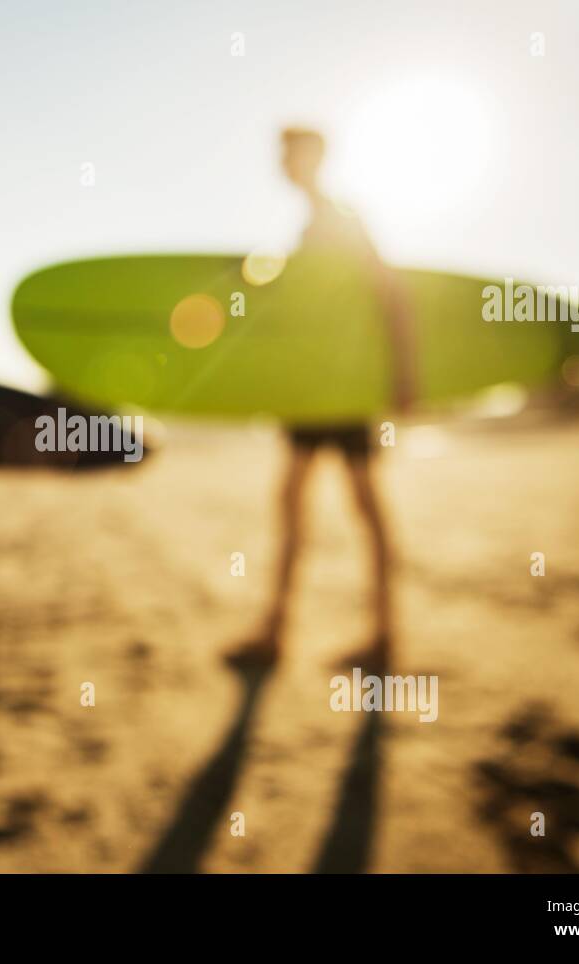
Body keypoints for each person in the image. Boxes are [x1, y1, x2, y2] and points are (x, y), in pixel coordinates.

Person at [225, 128, 416, 673]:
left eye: (288, 155)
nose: (282, 165)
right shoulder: (311, 223)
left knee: (359, 506)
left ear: (312, 158)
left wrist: (403, 378)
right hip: (313, 389)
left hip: (345, 388)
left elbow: (390, 291)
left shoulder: (339, 218)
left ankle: (377, 637)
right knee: (299, 504)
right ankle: (282, 632)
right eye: (280, 156)